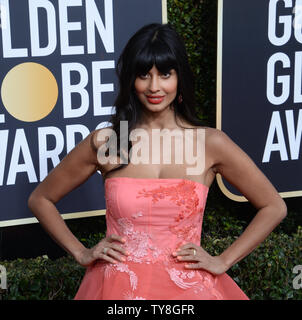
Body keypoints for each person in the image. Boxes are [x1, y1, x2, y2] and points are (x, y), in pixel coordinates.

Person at [28, 23, 287, 300]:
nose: (154, 86)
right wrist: (82, 252)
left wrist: (222, 260)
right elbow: (40, 199)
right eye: (143, 75)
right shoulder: (109, 141)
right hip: (118, 289)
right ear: (131, 79)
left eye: (165, 74)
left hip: (189, 292)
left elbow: (274, 206)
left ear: (180, 78)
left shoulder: (209, 143)